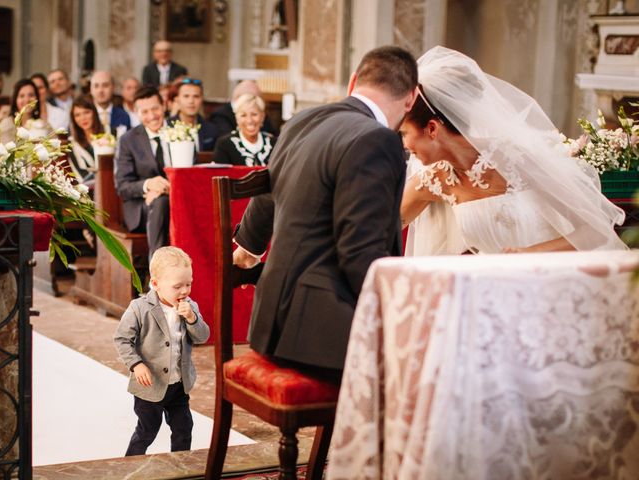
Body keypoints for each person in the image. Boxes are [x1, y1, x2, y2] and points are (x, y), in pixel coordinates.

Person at [232, 46, 418, 373]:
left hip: (266, 326)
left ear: (353, 82)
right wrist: (399, 317)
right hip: (319, 339)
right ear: (411, 99)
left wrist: (248, 248)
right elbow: (360, 253)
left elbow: (267, 192)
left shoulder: (303, 120)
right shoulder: (377, 140)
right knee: (421, 367)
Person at [400, 46, 627, 254]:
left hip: (547, 281)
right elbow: (381, 224)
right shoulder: (434, 179)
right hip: (489, 289)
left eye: (404, 133)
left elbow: (595, 232)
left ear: (432, 129)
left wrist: (529, 254)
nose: (403, 144)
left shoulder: (516, 160)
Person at [114, 246, 210, 456]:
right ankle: (129, 465)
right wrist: (136, 364)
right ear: (156, 284)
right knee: (148, 430)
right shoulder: (140, 307)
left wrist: (192, 319)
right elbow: (122, 339)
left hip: (178, 385)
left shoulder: (190, 307)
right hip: (150, 386)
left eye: (188, 284)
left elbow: (202, 337)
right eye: (178, 286)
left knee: (184, 429)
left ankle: (180, 467)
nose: (184, 291)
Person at [115, 85, 171, 258]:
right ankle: (157, 269)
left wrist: (167, 189)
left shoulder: (181, 132)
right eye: (144, 111)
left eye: (155, 109)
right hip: (142, 207)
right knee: (160, 203)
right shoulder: (128, 140)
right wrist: (148, 185)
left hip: (177, 199)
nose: (152, 116)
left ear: (164, 106)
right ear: (136, 112)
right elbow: (122, 186)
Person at [213, 93, 275, 166]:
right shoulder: (224, 144)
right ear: (236, 118)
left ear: (262, 116)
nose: (249, 120)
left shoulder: (274, 144)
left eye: (254, 114)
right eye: (243, 115)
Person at [208, 80, 279, 143]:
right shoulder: (221, 115)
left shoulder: (260, 113)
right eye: (249, 100)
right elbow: (227, 137)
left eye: (254, 114)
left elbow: (272, 135)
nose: (249, 120)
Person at [167, 78, 218, 152]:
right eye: (186, 96)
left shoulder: (211, 129)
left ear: (202, 99)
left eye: (196, 96)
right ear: (177, 100)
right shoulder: (167, 127)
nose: (191, 101)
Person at [68, 96, 105, 184]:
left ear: (94, 113)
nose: (83, 118)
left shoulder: (110, 133)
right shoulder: (72, 143)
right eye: (77, 115)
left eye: (86, 112)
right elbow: (81, 176)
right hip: (89, 189)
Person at [0, 78, 45, 144]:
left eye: (31, 95)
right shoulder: (8, 124)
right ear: (15, 100)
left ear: (36, 99)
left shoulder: (43, 124)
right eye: (22, 96)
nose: (27, 100)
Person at [90, 70, 131, 136]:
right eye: (96, 86)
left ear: (113, 87)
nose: (100, 90)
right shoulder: (83, 116)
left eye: (105, 85)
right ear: (91, 89)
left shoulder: (123, 116)